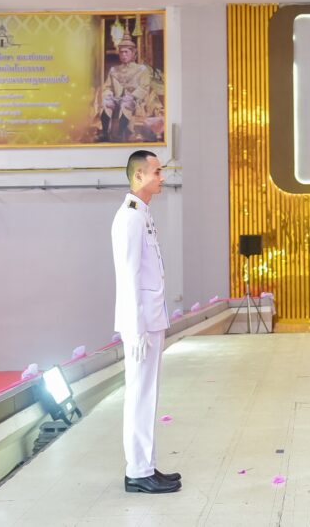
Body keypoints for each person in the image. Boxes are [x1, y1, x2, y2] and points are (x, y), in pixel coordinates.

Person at [112, 150, 180, 493]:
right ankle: (137, 471)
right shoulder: (130, 217)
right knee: (139, 394)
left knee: (147, 394)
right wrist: (136, 327)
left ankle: (146, 465)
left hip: (151, 319)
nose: (162, 177)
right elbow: (129, 277)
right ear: (139, 175)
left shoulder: (142, 214)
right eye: (156, 171)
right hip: (141, 324)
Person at [100, 32, 153, 142]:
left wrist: (132, 96)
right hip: (116, 99)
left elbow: (144, 87)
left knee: (126, 104)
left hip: (136, 100)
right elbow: (107, 87)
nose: (123, 55)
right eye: (121, 52)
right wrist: (108, 95)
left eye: (126, 52)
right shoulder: (114, 70)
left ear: (133, 53)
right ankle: (105, 133)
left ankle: (121, 133)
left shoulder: (142, 70)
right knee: (107, 103)